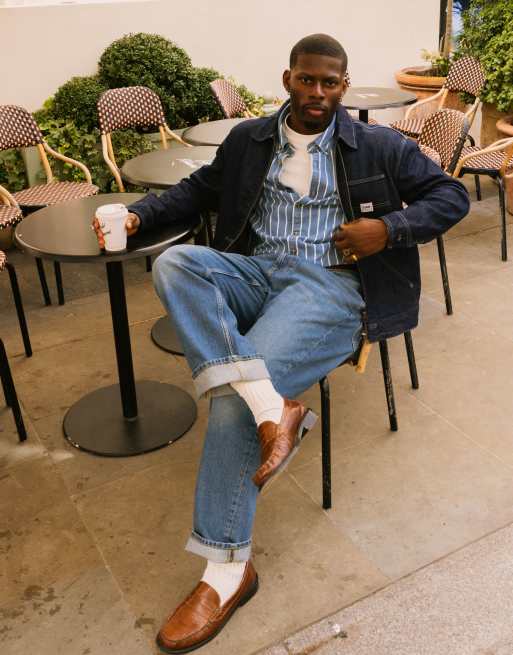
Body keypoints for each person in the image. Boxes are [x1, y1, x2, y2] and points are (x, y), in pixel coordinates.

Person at [93, 34, 469, 654]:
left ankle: (226, 571)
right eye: (306, 79)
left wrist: (388, 228)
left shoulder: (377, 145)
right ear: (288, 78)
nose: (317, 92)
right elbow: (198, 191)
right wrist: (139, 215)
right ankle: (274, 408)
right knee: (178, 265)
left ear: (343, 85)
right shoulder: (250, 139)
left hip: (329, 286)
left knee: (230, 402)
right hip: (258, 271)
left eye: (330, 82)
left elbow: (450, 195)